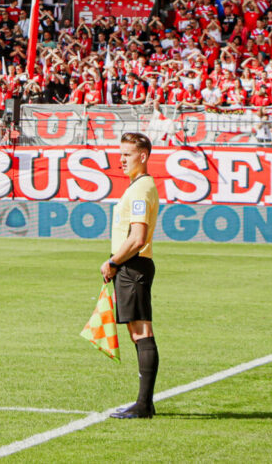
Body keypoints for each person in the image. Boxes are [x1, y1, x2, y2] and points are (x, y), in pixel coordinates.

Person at [102, 131, 160, 419]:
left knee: (141, 333)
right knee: (137, 333)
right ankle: (143, 403)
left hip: (133, 265)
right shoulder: (141, 186)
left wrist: (113, 262)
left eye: (127, 154)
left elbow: (137, 237)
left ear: (143, 156)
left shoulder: (140, 189)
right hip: (134, 266)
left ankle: (143, 405)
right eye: (120, 154)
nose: (121, 159)